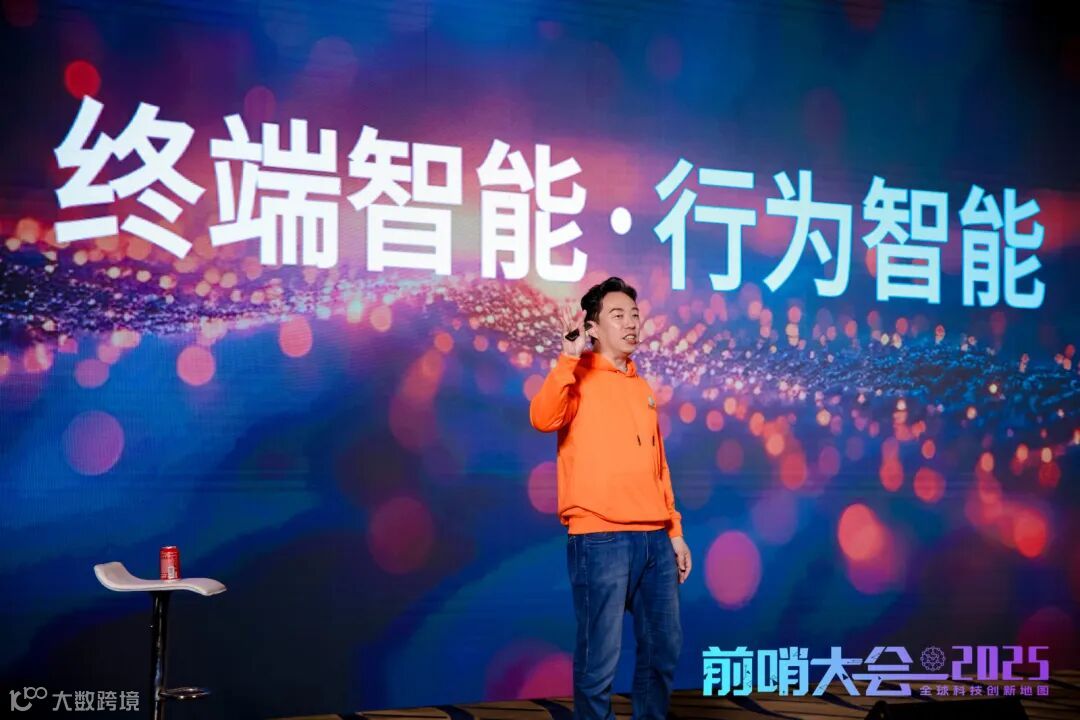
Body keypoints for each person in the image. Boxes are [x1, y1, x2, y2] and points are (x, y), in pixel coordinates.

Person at [529, 276, 691, 720]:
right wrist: (567, 359)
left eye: (635, 315)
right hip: (600, 538)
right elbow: (542, 418)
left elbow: (659, 465)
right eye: (618, 315)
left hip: (655, 539)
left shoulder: (642, 387)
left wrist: (674, 531)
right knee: (599, 658)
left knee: (663, 650)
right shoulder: (575, 377)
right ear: (593, 327)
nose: (631, 323)